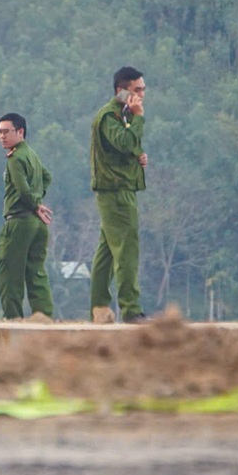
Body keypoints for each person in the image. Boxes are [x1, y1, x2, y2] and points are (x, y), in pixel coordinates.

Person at [89, 67, 149, 324]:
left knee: (106, 253)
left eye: (143, 90)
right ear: (121, 91)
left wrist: (139, 158)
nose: (142, 95)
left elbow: (125, 149)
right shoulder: (110, 116)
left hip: (120, 190)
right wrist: (138, 119)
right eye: (137, 90)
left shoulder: (123, 116)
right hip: (116, 193)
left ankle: (100, 307)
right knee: (126, 250)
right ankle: (131, 309)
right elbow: (123, 142)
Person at [0, 112, 54, 320]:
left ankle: (13, 319)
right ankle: (44, 316)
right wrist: (39, 200)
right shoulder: (32, 154)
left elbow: (22, 190)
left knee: (10, 273)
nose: (2, 136)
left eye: (7, 132)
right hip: (38, 224)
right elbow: (47, 177)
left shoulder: (15, 158)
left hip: (20, 220)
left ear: (20, 132)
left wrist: (35, 203)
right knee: (36, 272)